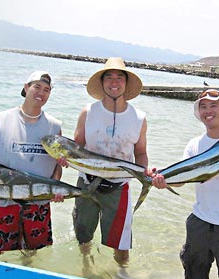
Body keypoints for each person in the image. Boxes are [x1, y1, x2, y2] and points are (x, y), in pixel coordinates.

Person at [153, 89, 219, 279]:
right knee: (193, 274)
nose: (208, 111)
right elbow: (182, 180)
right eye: (203, 107)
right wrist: (163, 180)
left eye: (213, 106)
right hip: (199, 221)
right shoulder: (194, 145)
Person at [59, 57, 151, 277]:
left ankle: (121, 272)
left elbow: (140, 153)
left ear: (126, 84)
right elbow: (77, 145)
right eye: (108, 77)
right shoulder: (88, 112)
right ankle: (85, 266)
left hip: (119, 187)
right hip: (87, 184)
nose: (114, 82)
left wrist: (145, 171)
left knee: (121, 242)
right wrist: (64, 158)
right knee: (83, 233)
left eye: (119, 77)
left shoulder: (139, 118)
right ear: (101, 83)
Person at [0, 71, 64, 260]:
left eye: (47, 90)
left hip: (38, 203)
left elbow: (56, 165)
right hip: (4, 202)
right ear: (26, 87)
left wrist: (55, 186)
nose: (41, 93)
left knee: (33, 256)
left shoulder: (54, 125)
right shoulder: (1, 119)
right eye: (37, 86)